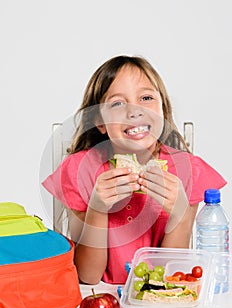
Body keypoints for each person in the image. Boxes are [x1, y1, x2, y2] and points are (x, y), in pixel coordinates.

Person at [42, 55, 227, 285]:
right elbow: (88, 276)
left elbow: (173, 275)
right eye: (118, 103)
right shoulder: (80, 170)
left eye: (146, 98)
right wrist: (97, 209)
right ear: (99, 121)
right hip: (100, 294)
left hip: (158, 299)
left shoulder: (187, 171)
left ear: (163, 112)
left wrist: (179, 215)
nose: (135, 111)